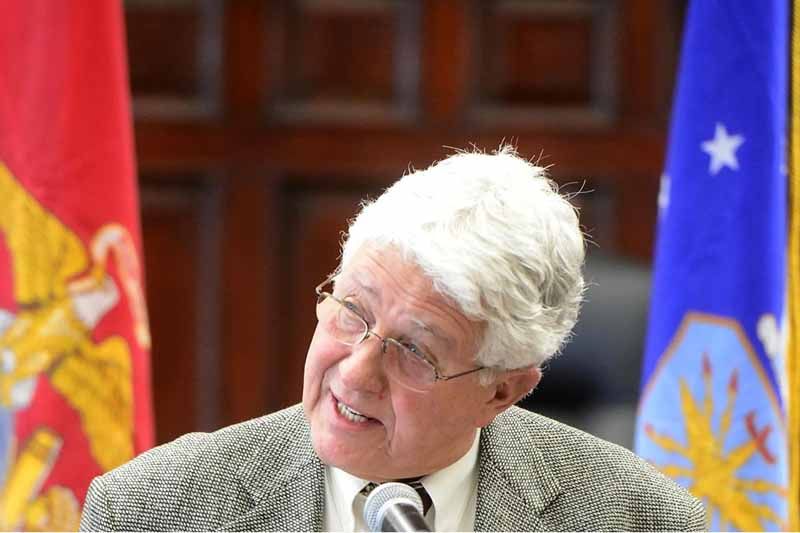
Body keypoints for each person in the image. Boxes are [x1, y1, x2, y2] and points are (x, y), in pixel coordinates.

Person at [80, 146, 706, 531]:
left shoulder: (638, 519)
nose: (354, 372)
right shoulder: (153, 511)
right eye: (352, 311)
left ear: (504, 391)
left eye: (415, 350)